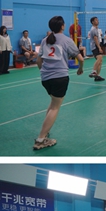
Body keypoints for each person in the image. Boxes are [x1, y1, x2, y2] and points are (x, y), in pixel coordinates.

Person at [33, 15, 84, 151]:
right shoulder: (67, 40)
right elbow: (81, 59)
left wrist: (43, 72)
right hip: (60, 78)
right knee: (55, 107)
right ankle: (41, 139)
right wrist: (80, 68)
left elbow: (39, 61)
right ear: (62, 26)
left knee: (52, 104)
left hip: (45, 79)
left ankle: (46, 131)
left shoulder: (45, 40)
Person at [86, 17, 105, 82]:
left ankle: (97, 76)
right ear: (93, 22)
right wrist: (99, 47)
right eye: (96, 20)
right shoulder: (93, 29)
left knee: (100, 61)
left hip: (96, 45)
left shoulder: (96, 29)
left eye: (97, 20)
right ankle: (93, 71)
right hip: (95, 46)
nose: (97, 21)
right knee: (99, 58)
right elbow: (95, 39)